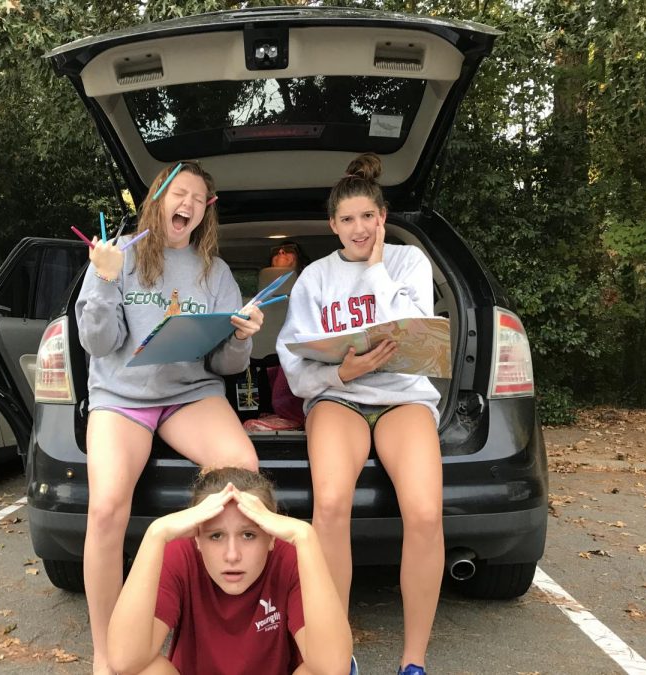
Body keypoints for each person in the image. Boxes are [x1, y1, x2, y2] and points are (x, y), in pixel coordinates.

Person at [76, 161, 265, 674]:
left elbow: (221, 365)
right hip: (122, 396)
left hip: (188, 393)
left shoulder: (216, 271)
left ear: (207, 211)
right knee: (107, 506)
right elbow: (98, 342)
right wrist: (102, 280)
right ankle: (105, 651)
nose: (187, 204)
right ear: (156, 197)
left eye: (198, 198)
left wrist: (240, 339)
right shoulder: (118, 255)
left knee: (240, 476)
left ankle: (206, 622)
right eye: (178, 193)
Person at [277, 152, 443, 675]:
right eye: (346, 220)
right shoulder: (313, 279)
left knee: (424, 513)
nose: (358, 228)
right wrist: (340, 377)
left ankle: (413, 661)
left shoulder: (409, 263)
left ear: (382, 217)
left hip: (402, 397)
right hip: (339, 398)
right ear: (332, 225)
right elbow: (294, 363)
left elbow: (416, 331)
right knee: (328, 507)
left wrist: (375, 270)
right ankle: (336, 652)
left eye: (367, 217)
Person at [106, 467, 353, 675]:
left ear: (271, 537)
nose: (232, 555)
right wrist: (156, 534)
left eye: (248, 535)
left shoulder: (289, 555)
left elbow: (333, 666)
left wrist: (305, 536)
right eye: (216, 536)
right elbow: (125, 660)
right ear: (197, 539)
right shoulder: (181, 553)